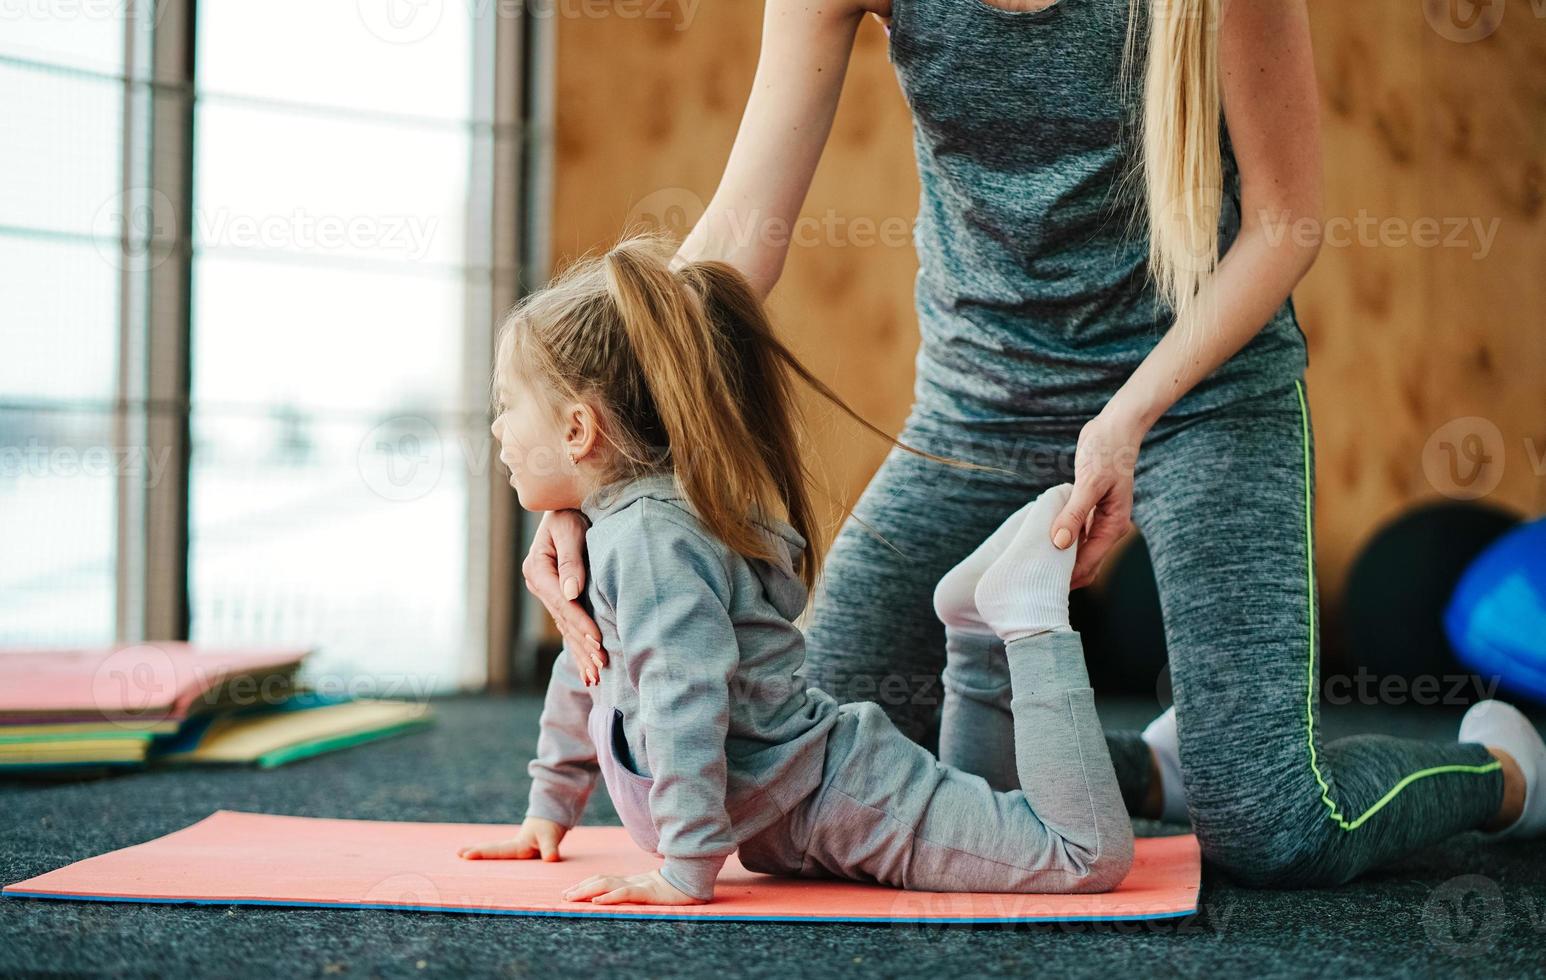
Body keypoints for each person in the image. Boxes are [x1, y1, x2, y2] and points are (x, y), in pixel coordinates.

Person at [522, 0, 1545, 887]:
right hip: (975, 406)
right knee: (788, 783)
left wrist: (1129, 415)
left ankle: (1499, 769)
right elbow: (733, 246)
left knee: (1276, 830)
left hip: (1200, 395)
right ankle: (1155, 768)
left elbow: (1282, 224)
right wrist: (593, 472)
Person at [458, 237, 1133, 904]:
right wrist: (547, 811)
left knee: (1080, 856)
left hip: (843, 797)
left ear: (578, 431)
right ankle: (977, 626)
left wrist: (686, 866)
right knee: (997, 815)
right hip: (813, 807)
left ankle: (1029, 619)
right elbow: (587, 666)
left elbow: (680, 698)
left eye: (508, 406)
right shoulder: (620, 533)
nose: (498, 430)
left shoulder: (647, 545)